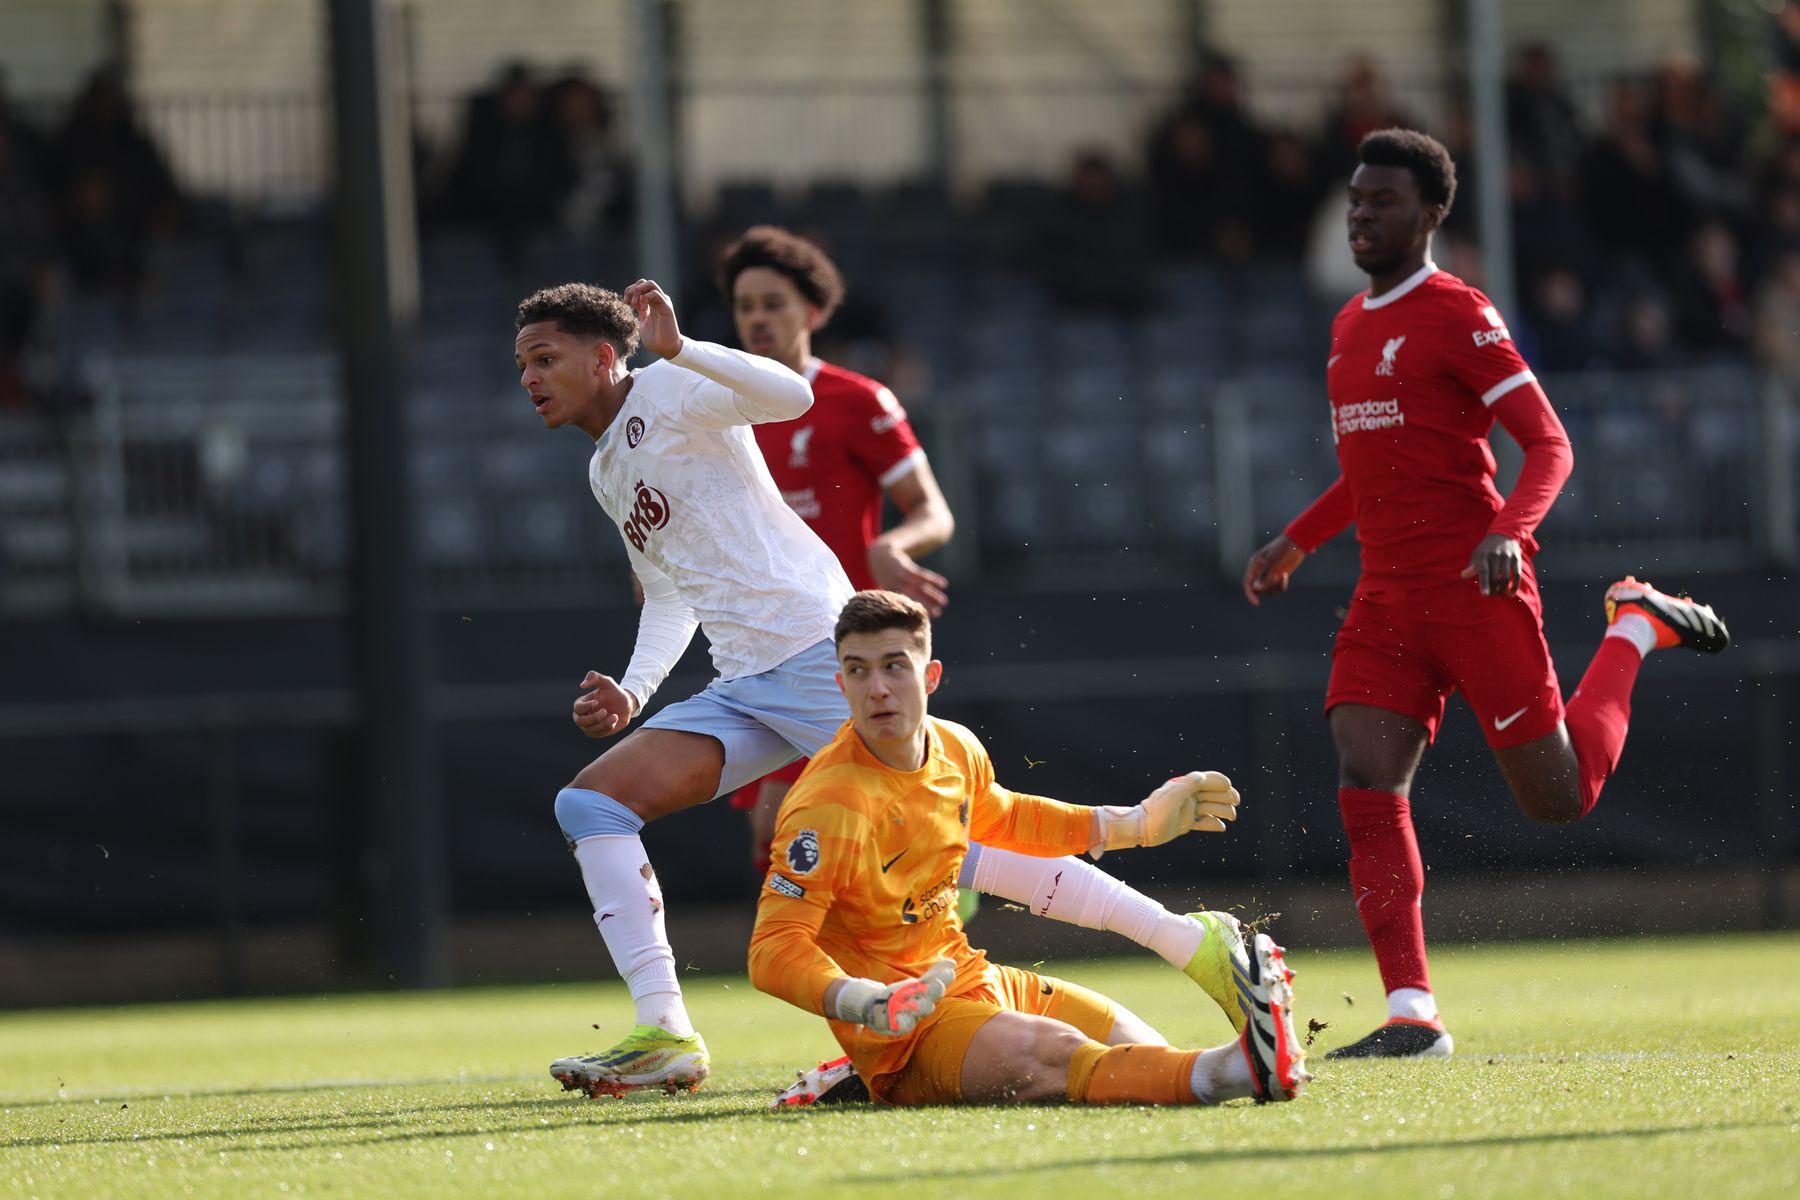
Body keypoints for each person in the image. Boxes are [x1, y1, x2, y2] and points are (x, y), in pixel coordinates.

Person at [519, 280, 1253, 1101]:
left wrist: (683, 346)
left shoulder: (666, 385)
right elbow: (668, 593)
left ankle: (1189, 944)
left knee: (959, 844)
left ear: (602, 356)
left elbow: (792, 394)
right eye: (523, 365)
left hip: (811, 650)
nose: (531, 378)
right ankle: (667, 1033)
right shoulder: (603, 466)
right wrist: (634, 688)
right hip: (744, 683)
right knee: (591, 805)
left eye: (545, 359)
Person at [1241, 129, 1731, 1060]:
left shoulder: (1459, 313)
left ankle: (1634, 626)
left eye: (1381, 201)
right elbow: (1375, 464)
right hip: (1387, 601)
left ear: (1430, 215)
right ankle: (1412, 1011)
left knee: (1559, 799)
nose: (1360, 214)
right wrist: (1298, 537)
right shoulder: (1348, 326)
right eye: (1354, 199)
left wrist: (1511, 531)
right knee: (1364, 776)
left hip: (1476, 587)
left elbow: (1551, 443)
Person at [748, 590, 1308, 1107]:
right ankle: (1239, 1070)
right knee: (1057, 1054)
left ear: (931, 675)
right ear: (840, 682)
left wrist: (1133, 823)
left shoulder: (954, 746)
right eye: (857, 670)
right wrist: (862, 1001)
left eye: (894, 665)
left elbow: (1006, 816)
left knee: (1137, 1045)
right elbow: (773, 948)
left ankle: (1243, 1060)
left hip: (977, 981)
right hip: (904, 1035)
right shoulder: (827, 804)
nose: (877, 689)